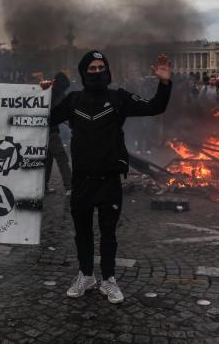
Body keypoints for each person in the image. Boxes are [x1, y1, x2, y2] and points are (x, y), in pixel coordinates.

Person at [50, 51, 172, 304]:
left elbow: (155, 107)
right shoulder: (73, 100)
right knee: (82, 232)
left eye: (100, 67)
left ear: (107, 70)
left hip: (109, 179)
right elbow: (45, 118)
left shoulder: (119, 98)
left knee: (108, 233)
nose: (96, 72)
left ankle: (108, 279)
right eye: (91, 68)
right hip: (82, 178)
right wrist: (41, 95)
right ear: (84, 73)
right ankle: (86, 275)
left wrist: (164, 83)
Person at [44, 71, 72, 195]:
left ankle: (43, 186)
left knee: (48, 159)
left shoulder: (46, 90)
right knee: (61, 158)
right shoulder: (57, 93)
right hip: (51, 132)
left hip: (43, 130)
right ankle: (70, 186)